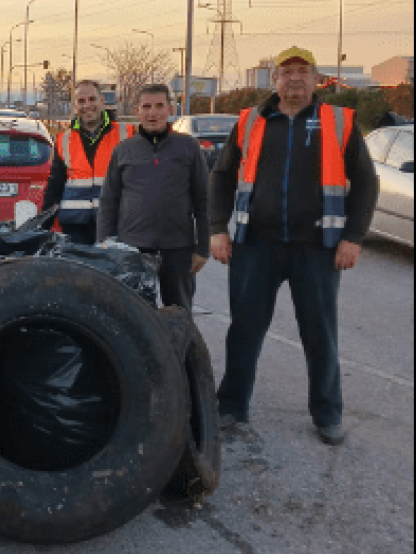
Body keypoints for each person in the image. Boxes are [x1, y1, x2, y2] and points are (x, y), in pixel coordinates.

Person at [209, 47, 379, 446]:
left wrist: (353, 238)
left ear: (316, 78)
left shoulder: (338, 122)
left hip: (317, 248)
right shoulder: (250, 121)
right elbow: (221, 176)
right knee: (245, 331)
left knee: (320, 333)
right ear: (275, 80)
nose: (294, 79)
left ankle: (327, 413)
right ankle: (232, 405)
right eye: (286, 72)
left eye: (303, 72)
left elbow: (367, 184)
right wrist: (218, 228)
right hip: (256, 246)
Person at [97, 84, 210, 311]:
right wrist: (105, 245)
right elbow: (109, 201)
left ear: (170, 109)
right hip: (133, 249)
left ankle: (179, 349)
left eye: (159, 106)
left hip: (178, 248)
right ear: (137, 111)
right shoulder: (123, 150)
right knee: (132, 316)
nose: (153, 113)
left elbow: (203, 199)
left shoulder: (188, 147)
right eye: (146, 107)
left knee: (179, 315)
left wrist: (203, 247)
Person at [42, 80, 136, 244]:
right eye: (81, 101)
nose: (87, 105)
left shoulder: (127, 134)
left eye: (92, 99)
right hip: (74, 228)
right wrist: (43, 227)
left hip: (115, 225)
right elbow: (55, 185)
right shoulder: (64, 139)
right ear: (74, 106)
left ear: (102, 101)